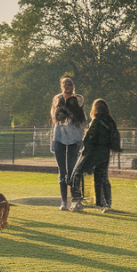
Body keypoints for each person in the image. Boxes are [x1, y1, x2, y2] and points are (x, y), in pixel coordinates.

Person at [69, 98, 121, 213]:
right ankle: (104, 204)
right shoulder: (110, 121)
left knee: (76, 173)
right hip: (105, 153)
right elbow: (115, 140)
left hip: (92, 152)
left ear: (95, 109)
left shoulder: (97, 121)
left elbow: (89, 139)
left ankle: (76, 200)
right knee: (101, 177)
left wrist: (84, 150)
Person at [51, 76, 86, 211]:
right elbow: (54, 116)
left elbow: (81, 118)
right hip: (59, 136)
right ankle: (64, 201)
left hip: (74, 137)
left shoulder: (78, 99)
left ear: (73, 86)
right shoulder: (57, 98)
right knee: (62, 170)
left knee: (72, 169)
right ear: (61, 86)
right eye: (64, 84)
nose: (67, 87)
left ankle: (76, 200)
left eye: (69, 84)